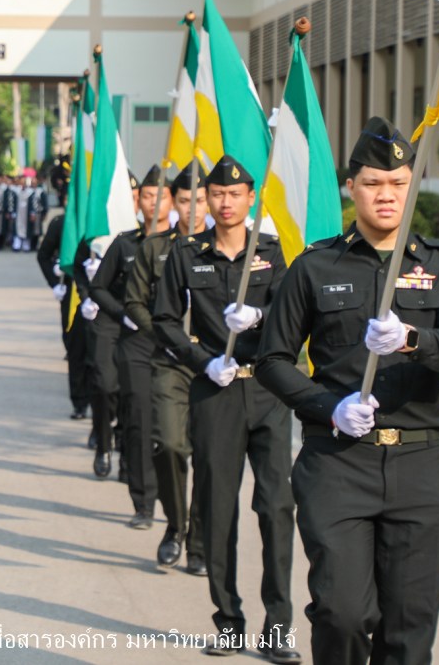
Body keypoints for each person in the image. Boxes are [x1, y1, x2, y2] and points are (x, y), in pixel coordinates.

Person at [257, 117, 439, 665]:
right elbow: (272, 359)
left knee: (409, 629)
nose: (387, 195)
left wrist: (413, 338)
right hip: (338, 463)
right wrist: (326, 406)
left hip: (419, 464)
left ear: (411, 186)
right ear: (351, 187)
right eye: (374, 183)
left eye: (399, 183)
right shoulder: (315, 265)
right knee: (341, 614)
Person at [152, 155, 297, 662]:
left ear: (251, 197)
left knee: (277, 507)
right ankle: (229, 620)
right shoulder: (187, 254)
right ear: (207, 200)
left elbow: (293, 315)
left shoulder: (273, 253)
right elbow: (165, 319)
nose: (226, 202)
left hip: (268, 392)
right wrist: (200, 359)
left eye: (236, 194)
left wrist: (260, 316)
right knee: (217, 508)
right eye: (217, 194)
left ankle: (278, 628)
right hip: (215, 389)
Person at [126, 162, 209, 576]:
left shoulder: (232, 253)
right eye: (184, 200)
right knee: (171, 445)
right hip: (170, 364)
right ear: (172, 203)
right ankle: (175, 526)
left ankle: (199, 543)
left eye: (200, 200)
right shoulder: (155, 248)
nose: (193, 209)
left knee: (210, 459)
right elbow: (135, 302)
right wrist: (164, 335)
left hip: (215, 370)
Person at [83, 167, 162, 518]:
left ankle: (131, 461)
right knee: (104, 384)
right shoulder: (125, 241)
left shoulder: (176, 244)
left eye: (158, 195)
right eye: (145, 195)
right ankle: (103, 443)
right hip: (114, 320)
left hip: (149, 331)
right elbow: (99, 286)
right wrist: (121, 314)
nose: (151, 202)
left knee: (137, 404)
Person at [38, 160, 90, 419]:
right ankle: (79, 401)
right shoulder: (60, 224)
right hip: (70, 291)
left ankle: (96, 398)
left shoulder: (96, 226)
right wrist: (53, 281)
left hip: (97, 292)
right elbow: (43, 255)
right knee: (74, 346)